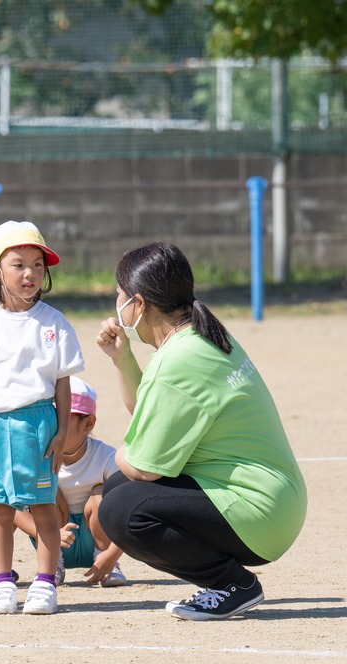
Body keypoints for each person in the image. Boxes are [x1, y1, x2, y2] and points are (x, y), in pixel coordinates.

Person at [96, 242, 306, 621]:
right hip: (275, 501)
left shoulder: (176, 361)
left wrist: (114, 453)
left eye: (120, 295)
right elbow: (149, 410)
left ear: (139, 305)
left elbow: (144, 468)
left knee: (120, 508)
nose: (117, 303)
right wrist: (122, 357)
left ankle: (232, 585)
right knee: (119, 490)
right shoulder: (202, 336)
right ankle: (227, 581)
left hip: (260, 514)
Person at [0, 220, 85, 615]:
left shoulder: (54, 322)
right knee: (0, 509)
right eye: (18, 264)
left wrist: (62, 431)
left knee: (43, 506)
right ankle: (2, 584)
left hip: (39, 423)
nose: (29, 273)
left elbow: (62, 385)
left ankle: (45, 583)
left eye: (37, 264)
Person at [14, 376, 126, 587]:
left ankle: (105, 563)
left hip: (97, 538)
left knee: (101, 495)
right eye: (47, 417)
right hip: (50, 533)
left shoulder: (106, 457)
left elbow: (130, 509)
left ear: (89, 423)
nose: (53, 426)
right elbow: (12, 508)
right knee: (46, 492)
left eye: (61, 418)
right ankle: (51, 564)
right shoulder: (35, 458)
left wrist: (112, 554)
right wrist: (50, 534)